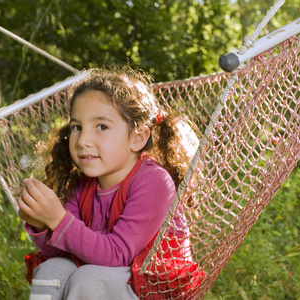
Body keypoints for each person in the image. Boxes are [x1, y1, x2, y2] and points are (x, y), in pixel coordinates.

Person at [17, 66, 201, 300]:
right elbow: (67, 248)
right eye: (77, 127)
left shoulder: (154, 181)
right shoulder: (82, 185)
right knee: (54, 268)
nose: (83, 140)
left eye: (101, 127)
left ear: (137, 138)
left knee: (89, 279)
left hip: (151, 287)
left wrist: (56, 218)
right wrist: (41, 223)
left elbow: (117, 255)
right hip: (107, 277)